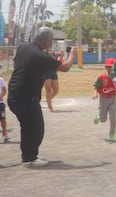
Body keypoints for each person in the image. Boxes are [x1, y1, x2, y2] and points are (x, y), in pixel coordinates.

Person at [7, 28, 75, 166]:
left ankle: (30, 155)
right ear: (46, 40)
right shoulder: (41, 57)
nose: (51, 43)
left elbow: (17, 62)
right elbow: (66, 67)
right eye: (51, 41)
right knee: (35, 128)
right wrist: (72, 54)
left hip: (14, 94)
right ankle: (29, 158)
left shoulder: (23, 46)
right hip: (26, 98)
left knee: (29, 126)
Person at [92, 58, 116, 145]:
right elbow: (96, 86)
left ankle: (112, 134)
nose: (110, 69)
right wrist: (95, 93)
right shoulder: (102, 77)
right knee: (103, 120)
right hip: (103, 99)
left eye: (112, 68)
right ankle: (98, 114)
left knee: (113, 118)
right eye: (108, 67)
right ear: (105, 67)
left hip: (112, 100)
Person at [0, 71, 9, 142]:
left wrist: (0, 96)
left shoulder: (1, 80)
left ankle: (5, 134)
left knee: (3, 119)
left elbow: (4, 90)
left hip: (0, 104)